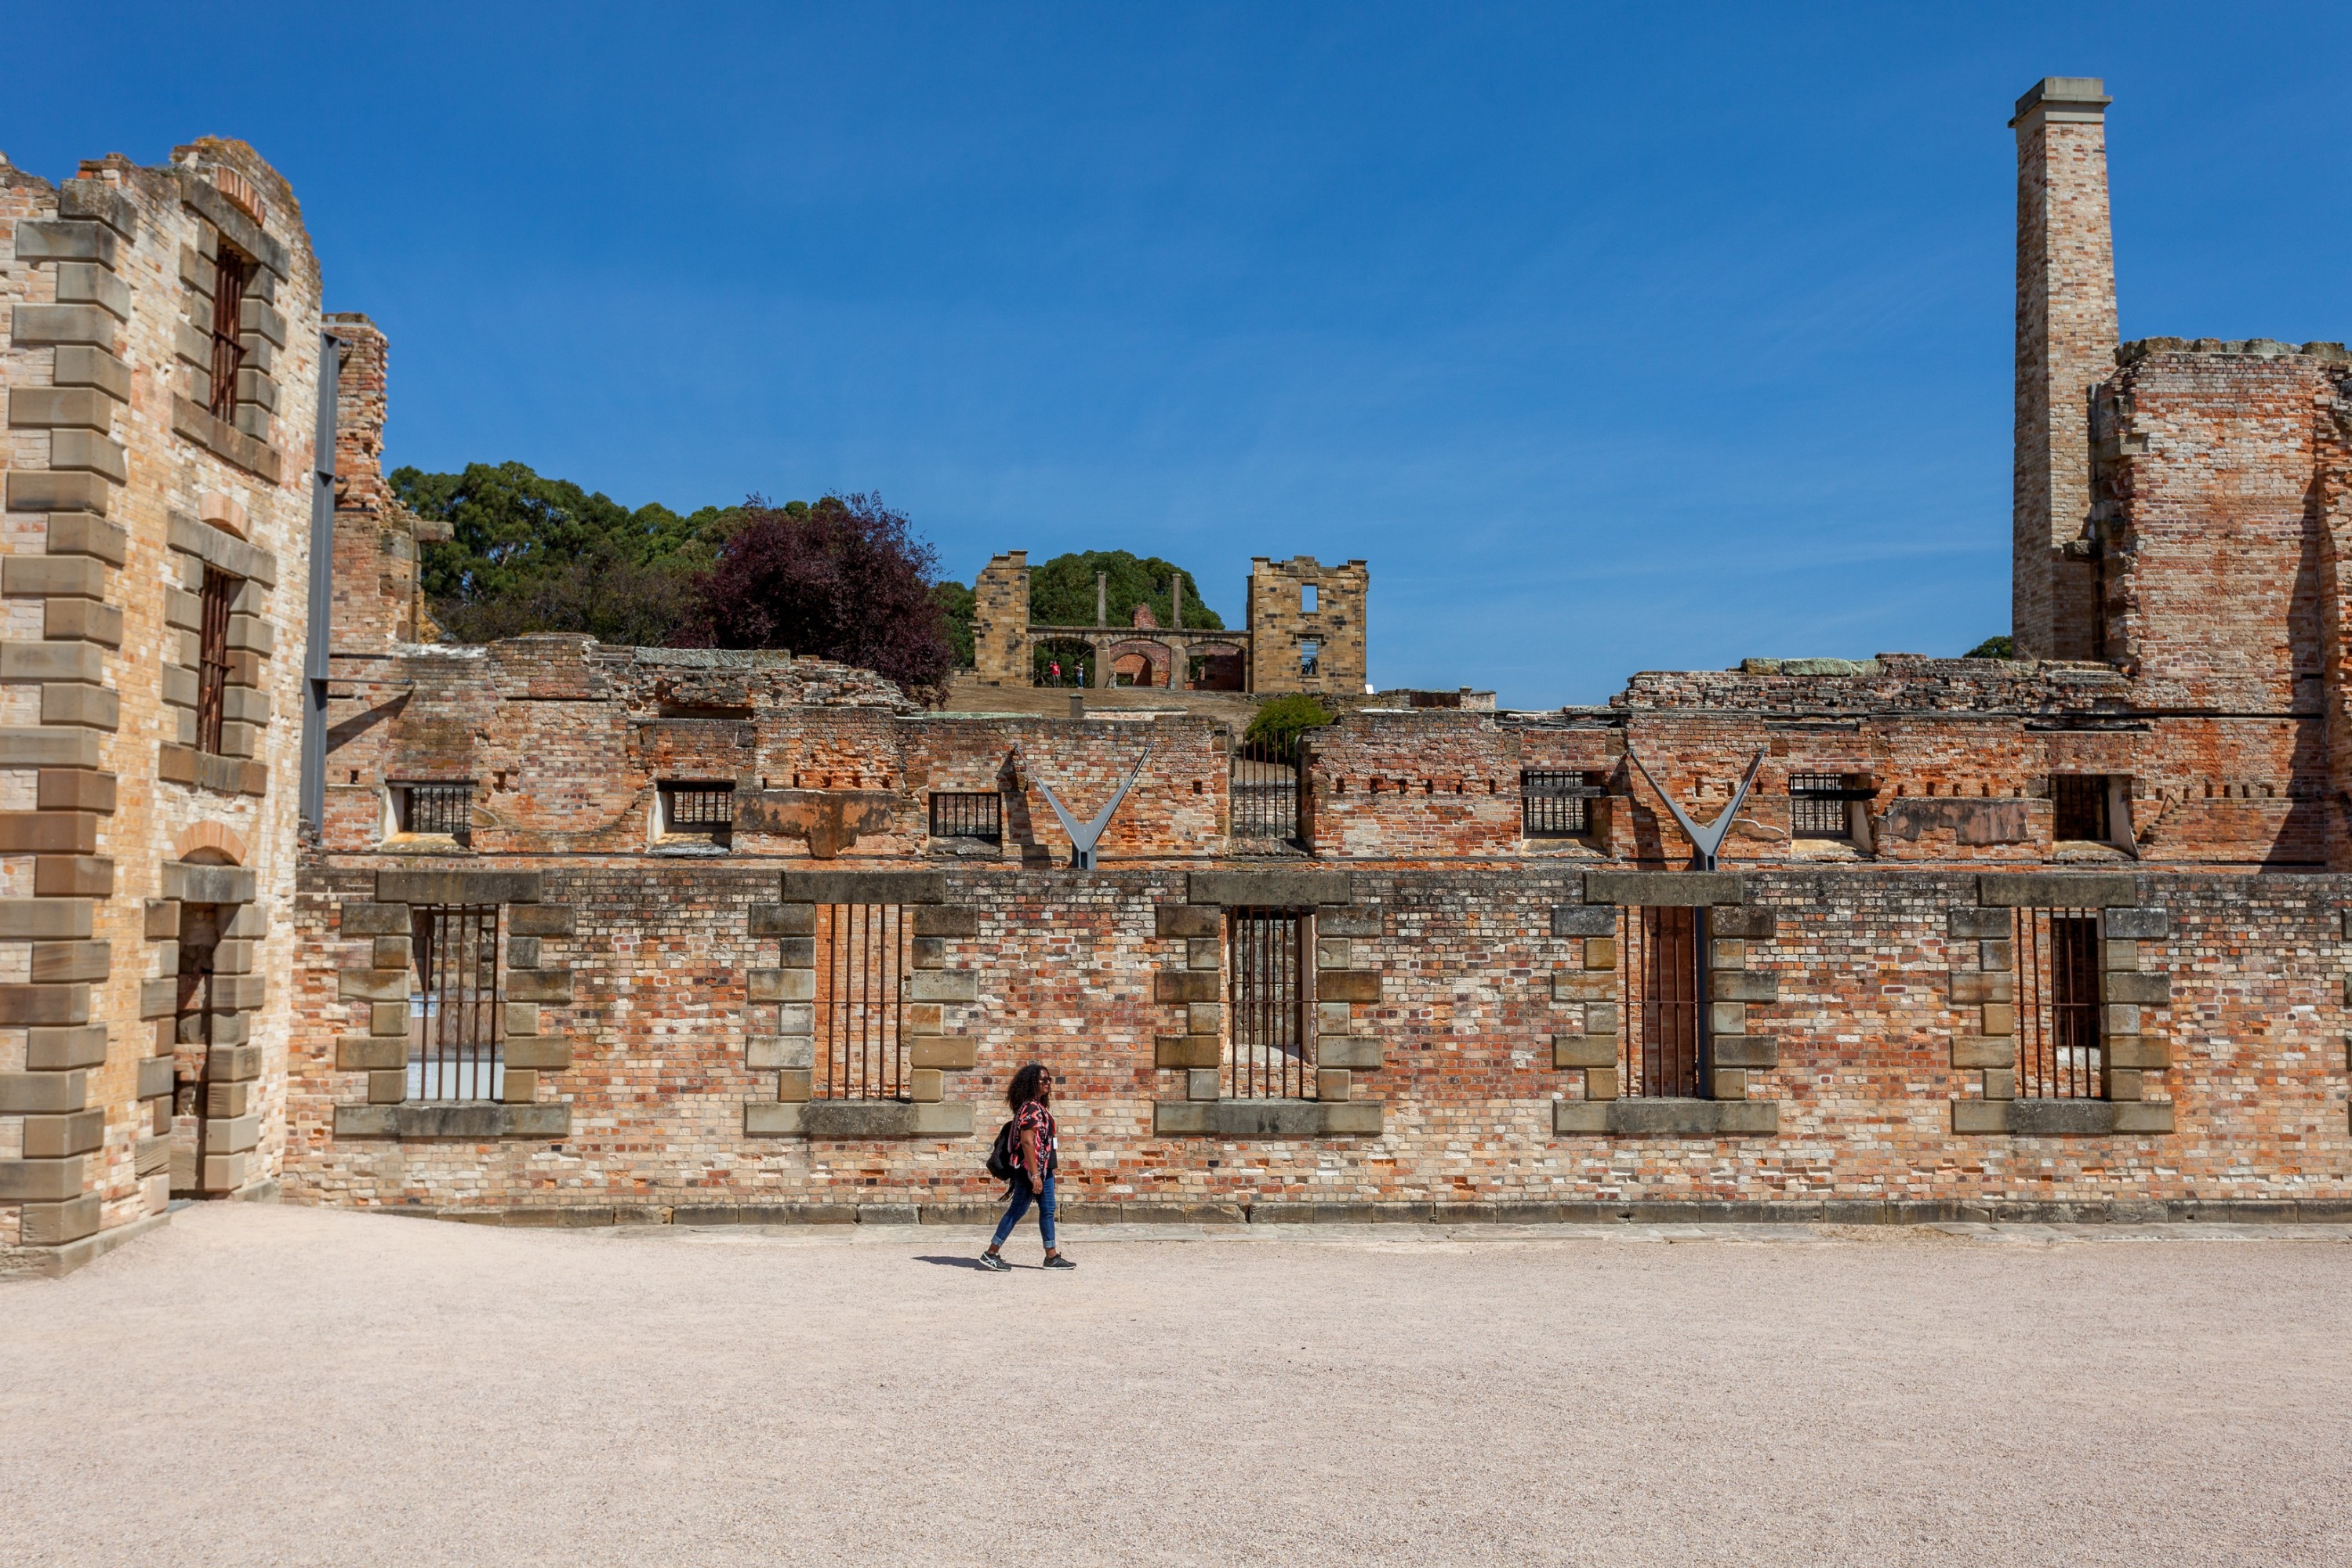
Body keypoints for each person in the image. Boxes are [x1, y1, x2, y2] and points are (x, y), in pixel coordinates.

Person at [979, 1063, 1073, 1272]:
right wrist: (1034, 1174)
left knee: (1048, 1210)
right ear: (1032, 1083)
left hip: (1043, 1169)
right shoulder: (1031, 1108)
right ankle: (990, 1253)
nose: (1048, 1083)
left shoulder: (1037, 1107)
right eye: (1043, 1080)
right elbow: (1027, 1141)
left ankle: (1051, 1256)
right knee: (1017, 1210)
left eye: (1049, 1079)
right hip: (1031, 1170)